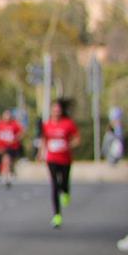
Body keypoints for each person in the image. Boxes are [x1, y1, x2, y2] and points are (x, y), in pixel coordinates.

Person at [41, 97, 80, 228]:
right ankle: (57, 215)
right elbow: (44, 140)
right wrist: (41, 152)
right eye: (54, 110)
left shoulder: (68, 123)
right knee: (54, 185)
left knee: (64, 181)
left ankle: (66, 192)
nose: (56, 112)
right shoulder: (47, 124)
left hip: (65, 158)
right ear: (51, 111)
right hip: (52, 158)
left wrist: (69, 145)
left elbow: (77, 139)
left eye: (58, 110)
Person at [0, 109, 25, 186]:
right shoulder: (0, 124)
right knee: (5, 160)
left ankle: (7, 174)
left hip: (12, 146)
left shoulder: (14, 124)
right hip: (2, 146)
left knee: (9, 161)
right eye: (5, 115)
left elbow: (21, 132)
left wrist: (15, 139)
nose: (7, 117)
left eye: (8, 115)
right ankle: (5, 175)